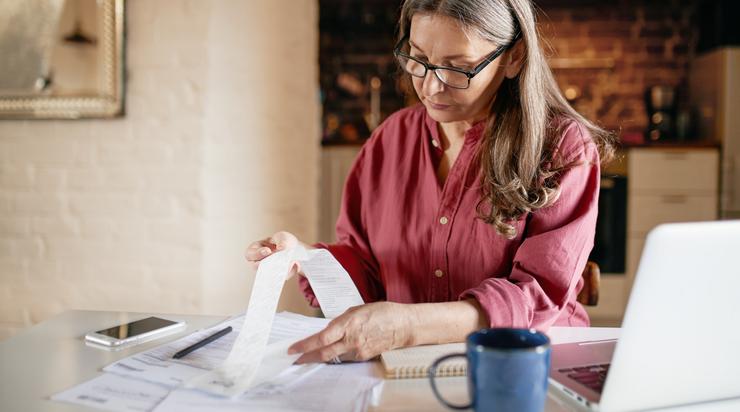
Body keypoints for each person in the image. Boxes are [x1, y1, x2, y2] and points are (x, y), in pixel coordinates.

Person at [246, 0, 614, 364]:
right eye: (418, 59)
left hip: (523, 366)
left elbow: (536, 297)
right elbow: (368, 264)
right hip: (405, 366)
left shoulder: (560, 147)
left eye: (458, 69)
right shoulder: (389, 141)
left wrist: (408, 326)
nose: (431, 88)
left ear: (514, 58)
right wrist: (305, 258)